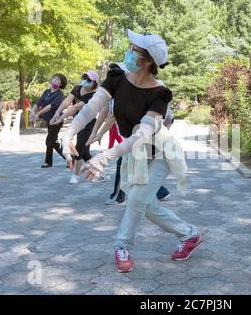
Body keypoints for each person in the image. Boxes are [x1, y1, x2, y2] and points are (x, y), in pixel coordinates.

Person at [62, 30, 201, 273]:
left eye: (133, 50)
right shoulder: (116, 78)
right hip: (133, 153)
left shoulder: (160, 94)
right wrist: (68, 134)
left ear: (147, 61)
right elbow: (91, 108)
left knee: (136, 200)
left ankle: (122, 245)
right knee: (146, 205)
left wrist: (105, 157)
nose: (127, 52)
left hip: (159, 153)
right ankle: (190, 235)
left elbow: (142, 135)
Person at [50, 70, 103, 184]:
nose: (85, 81)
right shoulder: (77, 88)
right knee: (85, 153)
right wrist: (57, 112)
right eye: (84, 77)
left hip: (88, 124)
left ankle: (76, 175)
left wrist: (60, 118)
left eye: (89, 80)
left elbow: (75, 108)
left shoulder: (93, 95)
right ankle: (100, 173)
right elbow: (68, 101)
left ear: (94, 83)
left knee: (79, 149)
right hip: (77, 123)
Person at [32, 74, 67, 168]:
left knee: (49, 141)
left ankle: (49, 162)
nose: (55, 80)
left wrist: (38, 113)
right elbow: (39, 102)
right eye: (54, 78)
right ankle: (69, 158)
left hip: (56, 120)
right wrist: (32, 111)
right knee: (53, 142)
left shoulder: (60, 94)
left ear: (61, 84)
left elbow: (50, 106)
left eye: (58, 80)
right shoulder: (47, 91)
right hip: (49, 120)